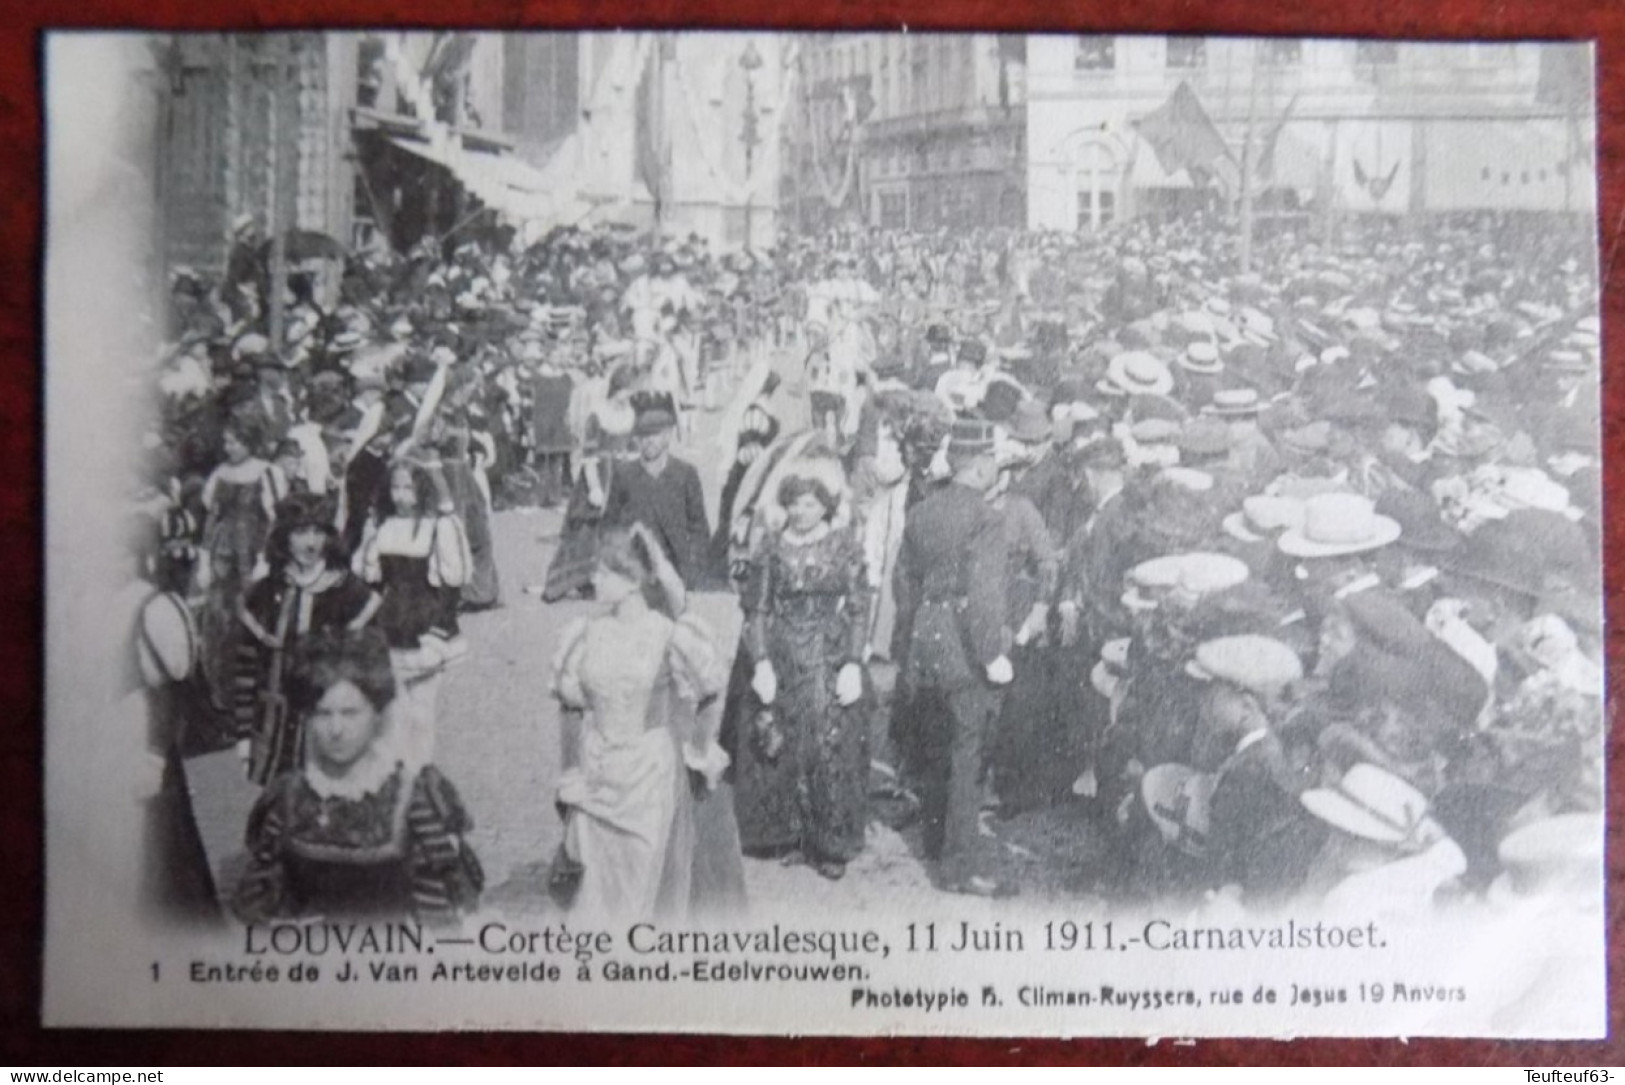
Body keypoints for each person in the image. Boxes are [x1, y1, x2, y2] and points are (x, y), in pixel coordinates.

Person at [550, 526, 744, 921]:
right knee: (594, 888)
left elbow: (711, 687)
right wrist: (571, 771)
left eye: (604, 573)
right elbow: (569, 705)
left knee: (640, 883)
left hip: (645, 777)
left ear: (633, 581)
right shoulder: (586, 633)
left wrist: (700, 750)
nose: (594, 580)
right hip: (595, 772)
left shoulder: (666, 634)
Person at [233, 628, 484, 925]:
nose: (336, 729)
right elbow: (257, 905)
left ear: (377, 715)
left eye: (350, 713)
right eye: (323, 714)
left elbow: (437, 913)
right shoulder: (289, 797)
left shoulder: (408, 797)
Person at [732, 464, 874, 879]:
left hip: (829, 651)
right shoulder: (772, 547)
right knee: (786, 742)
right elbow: (755, 609)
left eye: (810, 503)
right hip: (784, 652)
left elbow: (861, 606)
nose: (801, 511)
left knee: (829, 742)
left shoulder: (844, 545)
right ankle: (792, 834)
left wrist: (852, 660)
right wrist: (759, 660)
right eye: (794, 503)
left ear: (825, 506)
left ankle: (830, 842)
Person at [892, 417, 1014, 896]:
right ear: (981, 465)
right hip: (965, 642)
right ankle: (960, 867)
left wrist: (910, 646)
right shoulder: (988, 518)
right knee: (969, 753)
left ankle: (935, 840)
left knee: (937, 743)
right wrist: (991, 655)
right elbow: (984, 595)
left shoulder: (922, 510)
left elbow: (905, 586)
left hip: (926, 634)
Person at [236, 493, 381, 784]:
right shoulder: (263, 595)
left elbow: (373, 672)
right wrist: (243, 735)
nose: (311, 543)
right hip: (277, 735)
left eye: (318, 532)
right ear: (284, 537)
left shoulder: (350, 594)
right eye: (300, 532)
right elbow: (246, 668)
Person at [354, 460, 471, 766]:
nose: (401, 495)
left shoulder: (438, 527)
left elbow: (451, 584)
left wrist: (440, 629)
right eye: (395, 487)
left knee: (422, 707)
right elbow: (373, 581)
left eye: (408, 487)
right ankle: (397, 772)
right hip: (389, 623)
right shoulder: (383, 527)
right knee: (391, 706)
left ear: (421, 490)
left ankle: (419, 773)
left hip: (424, 624)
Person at [197, 414, 272, 711]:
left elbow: (274, 520)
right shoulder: (219, 474)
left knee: (252, 619)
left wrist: (265, 559)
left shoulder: (266, 473)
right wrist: (204, 560)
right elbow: (211, 518)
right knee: (219, 622)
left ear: (249, 443)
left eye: (235, 442)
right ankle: (221, 698)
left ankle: (252, 695)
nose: (229, 448)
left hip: (252, 556)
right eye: (226, 442)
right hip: (221, 558)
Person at [603, 391, 713, 589]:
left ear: (668, 435)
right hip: (635, 574)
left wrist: (695, 571)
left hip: (677, 573)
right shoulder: (624, 475)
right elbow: (609, 526)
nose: (648, 441)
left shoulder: (686, 474)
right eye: (642, 435)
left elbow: (699, 528)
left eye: (655, 434)